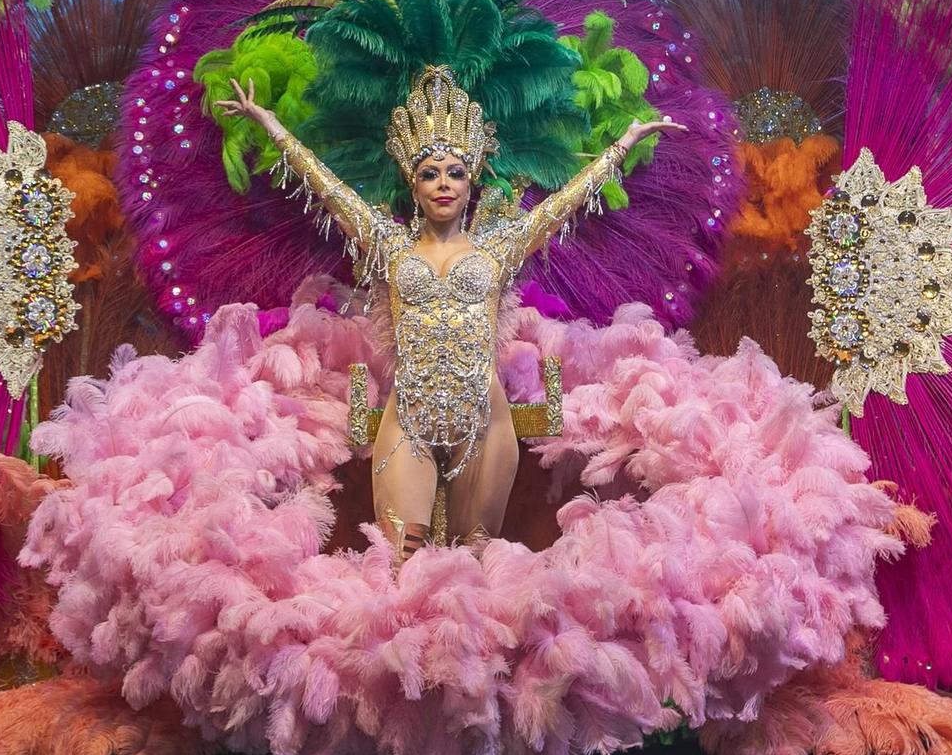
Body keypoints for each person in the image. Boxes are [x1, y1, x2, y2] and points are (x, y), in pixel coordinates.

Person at [217, 64, 682, 567]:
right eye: (429, 173)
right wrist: (268, 124)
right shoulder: (388, 246)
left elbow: (562, 206)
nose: (443, 184)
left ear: (471, 180)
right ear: (413, 187)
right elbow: (327, 187)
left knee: (472, 566)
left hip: (486, 419)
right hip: (409, 418)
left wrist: (624, 144)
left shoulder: (499, 248)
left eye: (455, 172)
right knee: (402, 560)